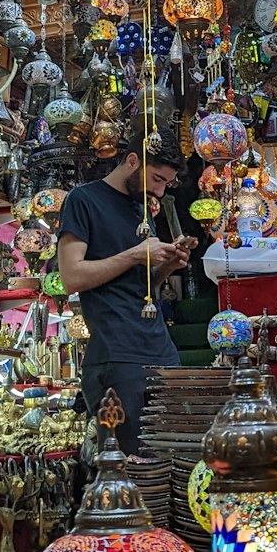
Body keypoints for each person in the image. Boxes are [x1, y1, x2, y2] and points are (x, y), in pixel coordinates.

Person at [58, 136, 192, 453]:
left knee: (170, 457)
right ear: (133, 161)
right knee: (127, 465)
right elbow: (71, 277)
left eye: (167, 184)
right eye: (157, 179)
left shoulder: (141, 208)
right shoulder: (83, 200)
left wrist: (167, 266)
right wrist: (134, 255)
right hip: (116, 355)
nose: (159, 191)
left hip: (160, 349)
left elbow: (141, 285)